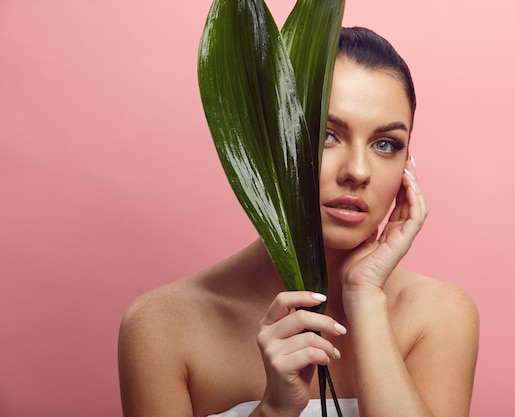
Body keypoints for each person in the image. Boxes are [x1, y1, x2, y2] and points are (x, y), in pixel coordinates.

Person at [118, 26, 479, 417]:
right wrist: (273, 409)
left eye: (385, 144)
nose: (358, 171)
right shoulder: (162, 327)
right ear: (270, 143)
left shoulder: (439, 314)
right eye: (326, 135)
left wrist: (365, 297)